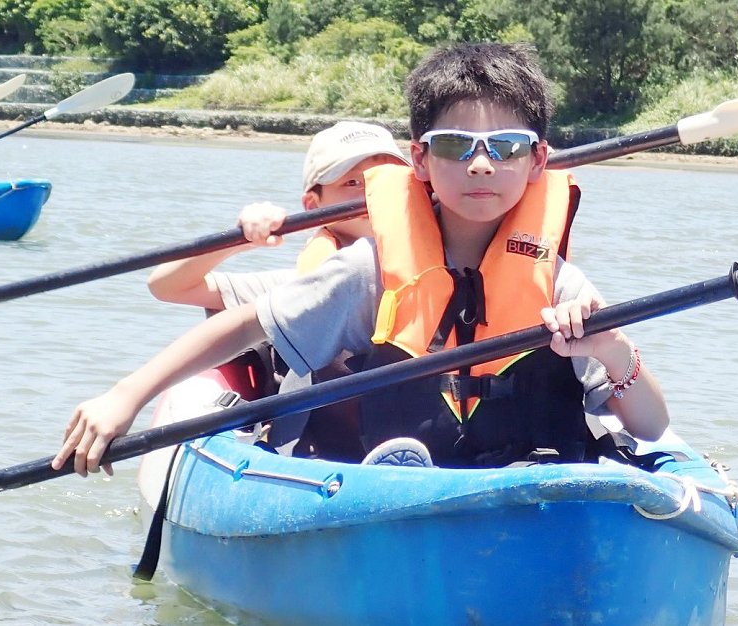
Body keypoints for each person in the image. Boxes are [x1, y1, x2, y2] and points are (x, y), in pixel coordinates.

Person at [53, 42, 668, 476]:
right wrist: (124, 397)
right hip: (395, 494)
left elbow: (650, 427)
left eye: (505, 147)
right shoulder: (368, 273)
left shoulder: (560, 284)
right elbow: (243, 325)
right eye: (455, 146)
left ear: (537, 161)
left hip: (527, 490)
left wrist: (612, 348)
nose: (481, 165)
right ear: (419, 160)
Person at [145, 122, 410, 461]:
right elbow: (167, 285)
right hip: (320, 460)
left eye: (385, 179)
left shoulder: (448, 270)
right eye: (352, 183)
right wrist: (242, 238)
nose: (372, 193)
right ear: (313, 205)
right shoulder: (294, 286)